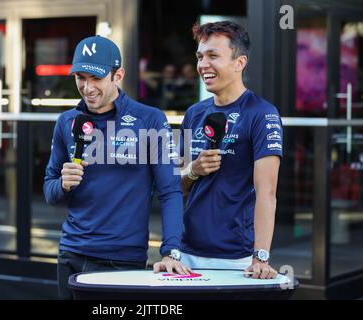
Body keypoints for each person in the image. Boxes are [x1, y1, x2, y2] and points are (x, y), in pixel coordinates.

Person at [43, 35, 190, 299]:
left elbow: (170, 192)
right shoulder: (66, 121)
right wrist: (63, 184)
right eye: (80, 77)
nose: (87, 88)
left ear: (118, 74)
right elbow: (49, 191)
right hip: (71, 256)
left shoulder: (150, 119)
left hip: (122, 262)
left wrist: (171, 251)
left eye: (96, 78)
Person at [178, 21, 283, 279]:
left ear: (239, 62)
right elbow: (172, 187)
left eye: (213, 56)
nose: (203, 65)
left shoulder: (262, 113)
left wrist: (261, 256)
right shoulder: (194, 113)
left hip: (238, 260)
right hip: (187, 254)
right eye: (200, 57)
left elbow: (267, 194)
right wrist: (193, 170)